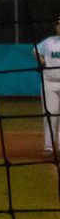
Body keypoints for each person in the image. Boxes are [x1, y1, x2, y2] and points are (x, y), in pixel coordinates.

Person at [35, 15, 60, 158]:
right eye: (58, 24)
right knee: (50, 115)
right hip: (49, 83)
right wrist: (41, 59)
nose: (59, 27)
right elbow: (35, 50)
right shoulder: (49, 41)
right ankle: (49, 146)